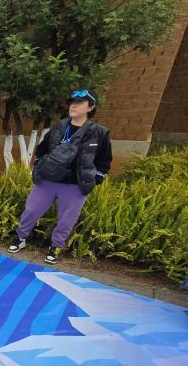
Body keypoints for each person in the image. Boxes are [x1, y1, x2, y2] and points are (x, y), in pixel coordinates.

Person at [9, 90, 112, 264]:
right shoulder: (59, 126)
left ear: (90, 107)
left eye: (79, 102)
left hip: (75, 185)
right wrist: (39, 167)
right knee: (31, 210)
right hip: (48, 180)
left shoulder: (99, 133)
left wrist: (96, 179)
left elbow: (104, 160)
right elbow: (42, 149)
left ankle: (56, 246)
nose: (73, 105)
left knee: (66, 219)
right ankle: (20, 237)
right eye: (72, 101)